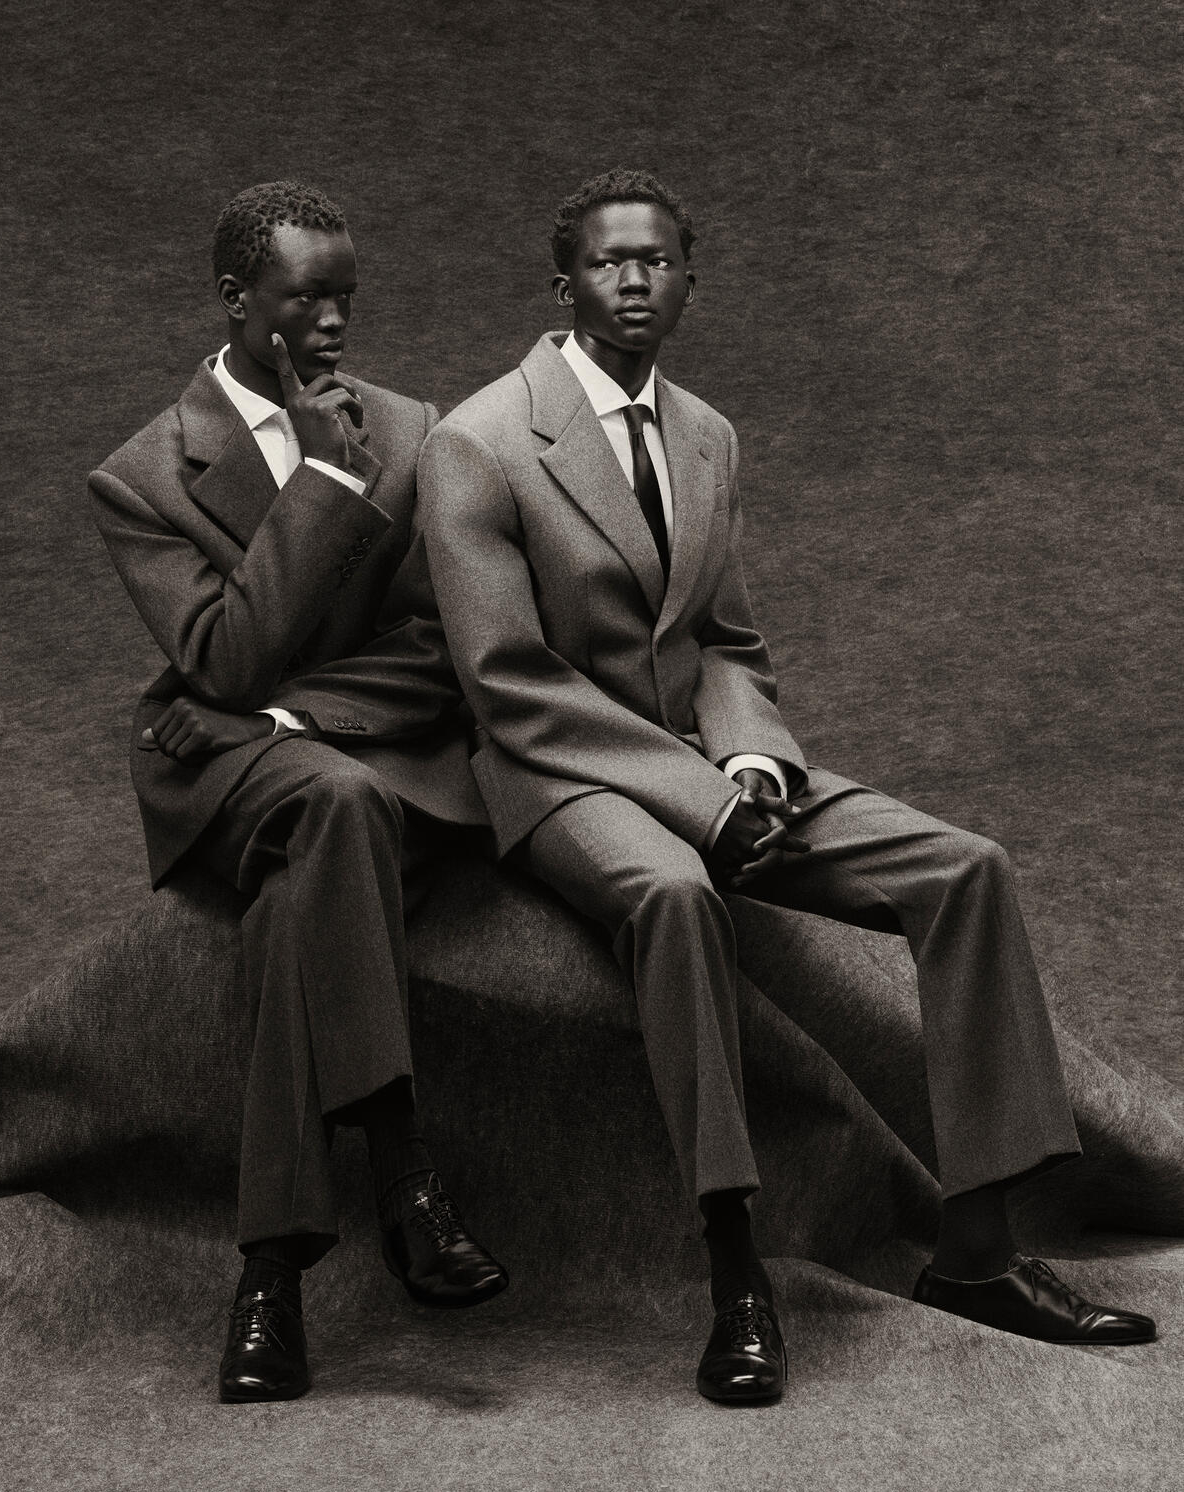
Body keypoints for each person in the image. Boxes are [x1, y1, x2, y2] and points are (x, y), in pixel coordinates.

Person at [416, 167, 1155, 1405]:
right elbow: (508, 684)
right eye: (607, 262)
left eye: (657, 261)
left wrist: (751, 758)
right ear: (562, 285)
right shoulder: (479, 442)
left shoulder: (706, 435)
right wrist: (702, 804)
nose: (634, 280)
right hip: (562, 774)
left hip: (710, 761)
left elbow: (725, 644)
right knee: (676, 900)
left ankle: (979, 1253)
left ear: (688, 281)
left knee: (964, 870)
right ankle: (735, 1276)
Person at [89, 180, 507, 1405]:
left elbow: (437, 645)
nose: (333, 322)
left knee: (301, 886)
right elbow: (218, 659)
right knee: (331, 806)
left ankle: (269, 1278)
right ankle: (403, 1169)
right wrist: (322, 482)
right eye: (305, 296)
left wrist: (287, 715)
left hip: (348, 755)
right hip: (219, 773)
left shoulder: (411, 430)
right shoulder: (142, 478)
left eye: (347, 297)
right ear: (236, 299)